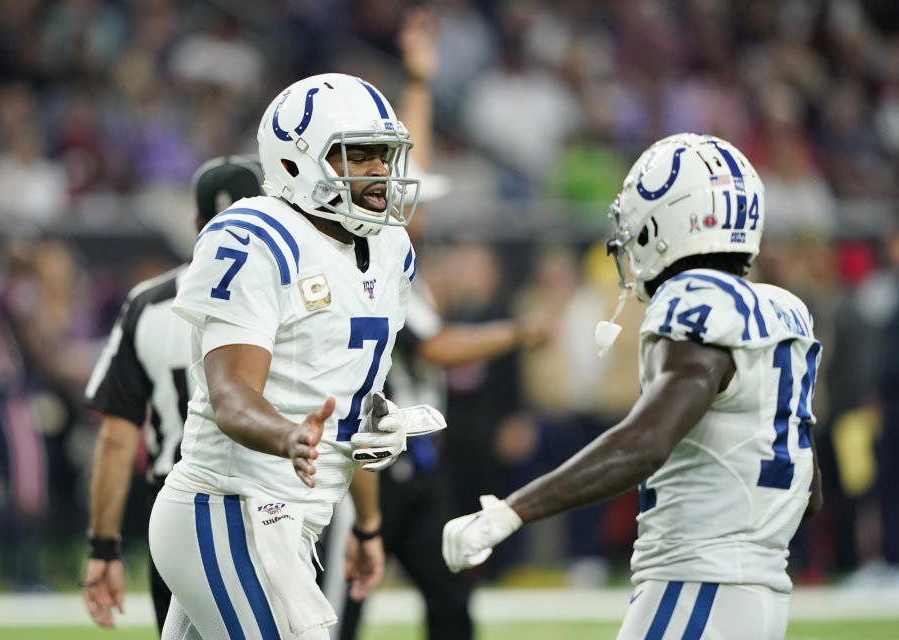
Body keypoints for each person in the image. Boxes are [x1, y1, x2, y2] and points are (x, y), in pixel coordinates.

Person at [443, 133, 824, 639]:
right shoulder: (783, 312)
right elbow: (809, 492)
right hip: (760, 591)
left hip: (697, 585)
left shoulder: (693, 301)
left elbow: (645, 442)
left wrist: (513, 511)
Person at [147, 73, 435, 640]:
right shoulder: (257, 235)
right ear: (299, 161)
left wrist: (370, 504)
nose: (380, 170)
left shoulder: (391, 248)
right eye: (359, 154)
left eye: (385, 154)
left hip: (297, 519)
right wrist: (287, 436)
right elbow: (231, 396)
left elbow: (348, 407)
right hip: (226, 508)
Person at [81, 155, 266, 631]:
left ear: (196, 223)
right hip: (266, 503)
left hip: (177, 510)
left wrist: (104, 547)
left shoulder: (149, 303)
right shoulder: (285, 290)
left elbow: (118, 437)